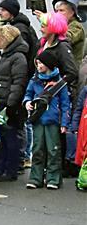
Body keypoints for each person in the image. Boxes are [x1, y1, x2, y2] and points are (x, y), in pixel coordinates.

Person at [24, 49, 72, 189]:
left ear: (49, 64)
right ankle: (35, 178)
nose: (38, 66)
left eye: (41, 63)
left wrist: (64, 123)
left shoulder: (60, 83)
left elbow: (65, 104)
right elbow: (28, 94)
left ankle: (53, 178)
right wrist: (27, 102)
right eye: (37, 63)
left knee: (53, 150)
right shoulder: (34, 80)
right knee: (37, 149)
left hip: (53, 121)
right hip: (38, 120)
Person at [0, 25, 29, 181]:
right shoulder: (2, 55)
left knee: (11, 139)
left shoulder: (18, 57)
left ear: (6, 39)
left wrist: (11, 105)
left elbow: (18, 83)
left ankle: (10, 170)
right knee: (1, 139)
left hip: (9, 105)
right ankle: (0, 167)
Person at [50, 0, 85, 68]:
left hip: (72, 69)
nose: (58, 14)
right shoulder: (65, 25)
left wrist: (51, 25)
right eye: (56, 11)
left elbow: (66, 38)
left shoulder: (76, 26)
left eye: (61, 10)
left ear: (72, 12)